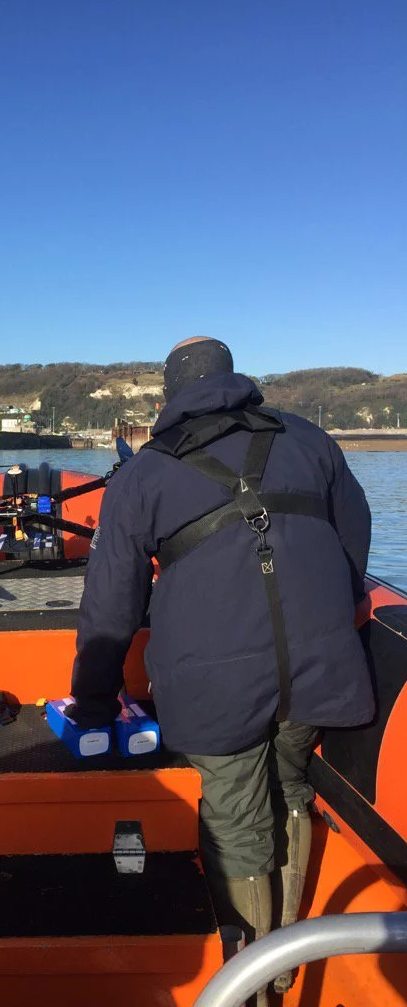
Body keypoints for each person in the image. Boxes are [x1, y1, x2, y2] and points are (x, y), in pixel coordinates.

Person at [69, 337, 373, 1005]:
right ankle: (286, 966)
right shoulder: (308, 438)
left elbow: (111, 604)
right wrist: (337, 609)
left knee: (235, 820)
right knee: (290, 789)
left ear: (170, 393)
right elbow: (353, 536)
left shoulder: (144, 473)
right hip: (321, 667)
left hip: (215, 684)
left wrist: (92, 702)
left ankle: (251, 984)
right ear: (233, 378)